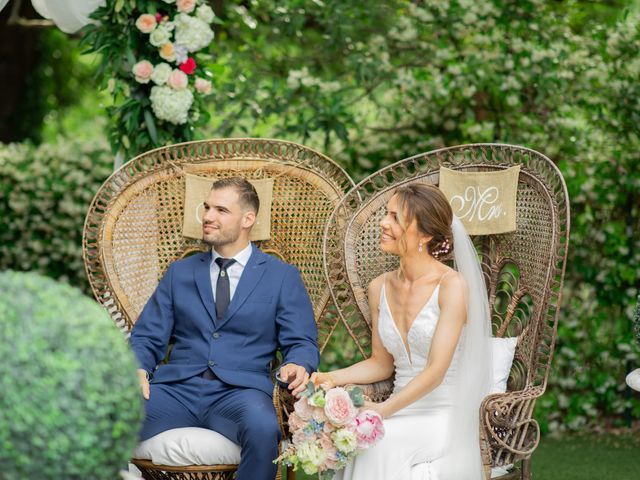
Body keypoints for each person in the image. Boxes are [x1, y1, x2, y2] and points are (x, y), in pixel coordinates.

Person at [130, 177, 319, 480]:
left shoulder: (282, 276)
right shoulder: (180, 272)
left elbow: (301, 341)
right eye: (206, 207)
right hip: (177, 389)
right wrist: (138, 367)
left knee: (264, 428)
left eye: (220, 210)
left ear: (248, 219)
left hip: (242, 394)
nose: (207, 216)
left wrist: (298, 363)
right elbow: (147, 336)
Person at [311, 184, 492, 480]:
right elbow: (381, 363)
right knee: (363, 438)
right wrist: (330, 378)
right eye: (386, 214)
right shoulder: (379, 287)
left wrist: (382, 411)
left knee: (377, 440)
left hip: (443, 414)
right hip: (398, 409)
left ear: (425, 234)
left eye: (395, 217)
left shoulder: (452, 286)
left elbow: (436, 371)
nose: (384, 223)